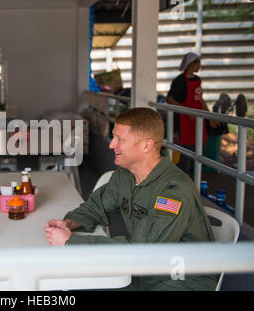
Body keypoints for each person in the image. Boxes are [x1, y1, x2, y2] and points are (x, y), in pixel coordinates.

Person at [44, 107, 217, 291]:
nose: (111, 145)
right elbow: (97, 206)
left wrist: (70, 242)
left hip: (181, 281)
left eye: (120, 140)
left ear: (146, 146)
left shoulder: (174, 192)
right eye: (113, 137)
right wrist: (70, 223)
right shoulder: (125, 175)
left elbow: (142, 250)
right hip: (141, 274)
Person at [166, 52, 219, 176]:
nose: (199, 65)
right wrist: (186, 110)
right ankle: (182, 180)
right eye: (198, 62)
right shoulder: (179, 81)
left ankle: (191, 180)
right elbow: (170, 99)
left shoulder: (197, 79)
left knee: (197, 152)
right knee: (185, 154)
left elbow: (200, 100)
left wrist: (209, 116)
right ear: (191, 64)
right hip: (184, 123)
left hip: (197, 121)